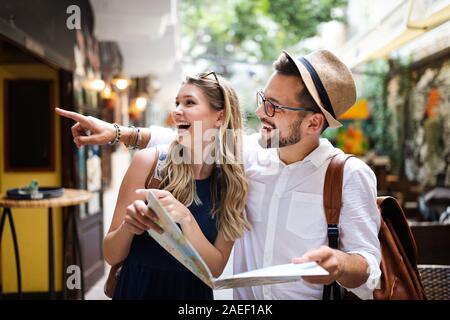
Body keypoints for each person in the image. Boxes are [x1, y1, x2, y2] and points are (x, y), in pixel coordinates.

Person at [56, 49, 381, 300]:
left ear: (313, 123)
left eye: (275, 107)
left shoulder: (348, 175)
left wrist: (341, 263)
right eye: (263, 100)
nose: (260, 113)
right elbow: (189, 136)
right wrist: (116, 132)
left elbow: (368, 267)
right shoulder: (250, 154)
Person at [72, 72, 249, 299]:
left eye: (189, 102)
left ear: (219, 116)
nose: (176, 111)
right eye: (177, 103)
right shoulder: (149, 162)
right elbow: (111, 255)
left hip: (191, 295)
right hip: (138, 289)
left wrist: (186, 219)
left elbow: (215, 267)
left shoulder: (232, 183)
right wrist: (129, 225)